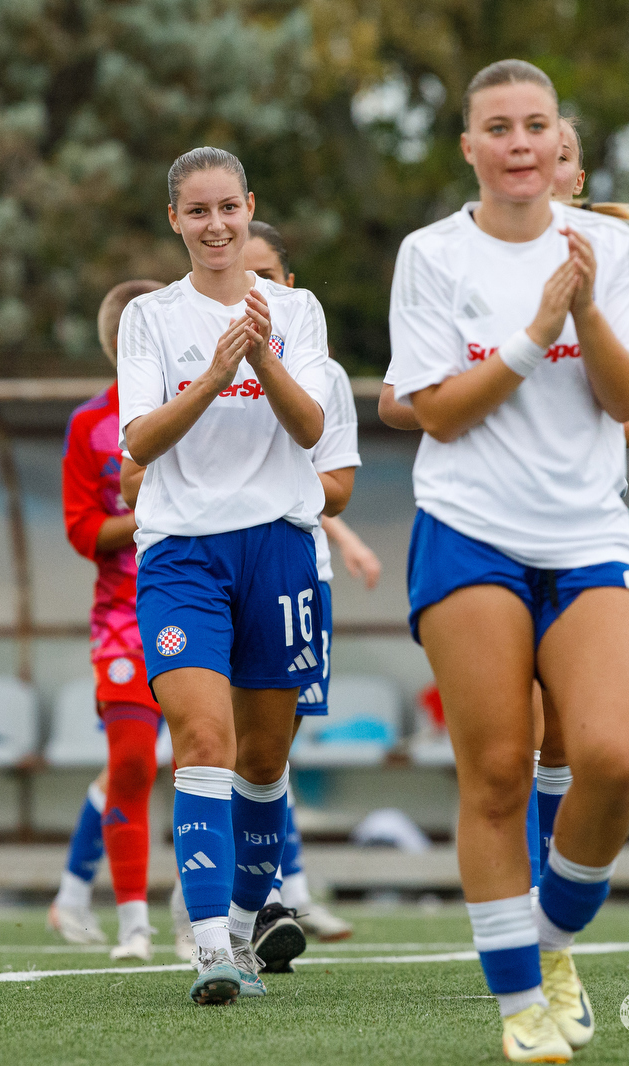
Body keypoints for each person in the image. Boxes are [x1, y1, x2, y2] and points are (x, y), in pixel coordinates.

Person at [386, 60, 629, 1061]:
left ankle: (549, 939)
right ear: (468, 146)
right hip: (467, 529)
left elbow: (628, 400)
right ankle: (519, 1005)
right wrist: (532, 331)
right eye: (497, 127)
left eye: (535, 126)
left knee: (612, 759)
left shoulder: (607, 249)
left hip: (586, 533)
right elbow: (436, 411)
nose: (518, 143)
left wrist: (585, 309)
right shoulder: (430, 254)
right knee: (499, 769)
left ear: (561, 146)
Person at [120, 146, 331, 1006]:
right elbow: (137, 441)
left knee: (265, 759)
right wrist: (214, 374)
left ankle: (245, 928)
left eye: (227, 209)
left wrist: (262, 355)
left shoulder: (298, 309)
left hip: (277, 548)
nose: (215, 227)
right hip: (183, 553)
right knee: (202, 740)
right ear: (175, 221)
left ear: (250, 207)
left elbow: (314, 427)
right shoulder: (152, 319)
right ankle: (208, 942)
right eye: (196, 213)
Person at [525, 115, 629, 892]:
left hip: (584, 524)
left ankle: (555, 896)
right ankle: (516, 910)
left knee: (578, 746)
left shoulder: (614, 258)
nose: (541, 164)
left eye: (562, 155)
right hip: (488, 525)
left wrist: (600, 416)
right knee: (512, 736)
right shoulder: (455, 253)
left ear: (575, 177)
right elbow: (409, 401)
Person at [240, 220, 369, 961]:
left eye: (267, 276)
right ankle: (240, 905)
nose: (252, 290)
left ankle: (258, 897)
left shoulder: (321, 374)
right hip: (210, 568)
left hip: (296, 574)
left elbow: (341, 487)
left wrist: (263, 488)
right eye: (241, 276)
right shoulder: (191, 352)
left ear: (291, 287)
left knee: (270, 750)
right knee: (213, 739)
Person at [53, 278, 167, 961]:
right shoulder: (89, 425)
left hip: (212, 602)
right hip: (124, 616)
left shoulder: (209, 402)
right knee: (129, 762)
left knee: (218, 762)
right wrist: (148, 517)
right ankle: (133, 925)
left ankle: (209, 916)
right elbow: (82, 531)